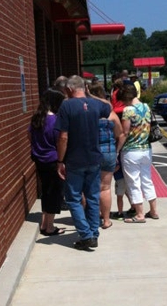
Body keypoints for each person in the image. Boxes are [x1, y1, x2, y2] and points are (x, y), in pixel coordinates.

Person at [55, 75, 111, 250]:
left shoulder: (66, 106)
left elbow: (63, 137)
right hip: (93, 158)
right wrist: (91, 95)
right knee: (93, 197)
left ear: (70, 89)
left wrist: (60, 160)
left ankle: (86, 235)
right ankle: (93, 233)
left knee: (73, 199)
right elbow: (108, 107)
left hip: (74, 159)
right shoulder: (95, 104)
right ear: (84, 88)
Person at [117, 84, 159, 223]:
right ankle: (153, 211)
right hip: (146, 149)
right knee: (147, 180)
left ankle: (139, 214)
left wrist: (117, 150)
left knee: (133, 182)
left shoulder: (128, 110)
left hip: (131, 150)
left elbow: (124, 132)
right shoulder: (146, 106)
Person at [29, 88, 66, 236]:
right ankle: (50, 227)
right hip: (53, 160)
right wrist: (61, 161)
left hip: (39, 160)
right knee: (54, 194)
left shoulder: (36, 119)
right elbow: (60, 141)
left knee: (46, 191)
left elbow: (29, 136)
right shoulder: (55, 121)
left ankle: (45, 223)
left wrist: (38, 148)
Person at [88, 82, 123, 229]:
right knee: (105, 187)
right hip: (108, 151)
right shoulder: (110, 113)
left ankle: (92, 219)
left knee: (89, 187)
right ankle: (106, 220)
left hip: (91, 153)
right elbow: (120, 134)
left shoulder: (87, 113)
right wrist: (116, 151)